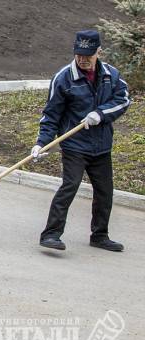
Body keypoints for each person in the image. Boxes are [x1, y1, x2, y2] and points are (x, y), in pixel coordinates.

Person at [33, 30, 130, 252]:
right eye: (79, 55)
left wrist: (101, 113)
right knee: (70, 185)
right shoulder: (64, 77)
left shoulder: (111, 75)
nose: (82, 59)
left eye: (88, 55)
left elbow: (123, 99)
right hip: (74, 145)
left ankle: (100, 235)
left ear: (99, 52)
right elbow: (51, 115)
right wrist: (41, 142)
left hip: (101, 145)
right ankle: (51, 234)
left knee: (105, 191)